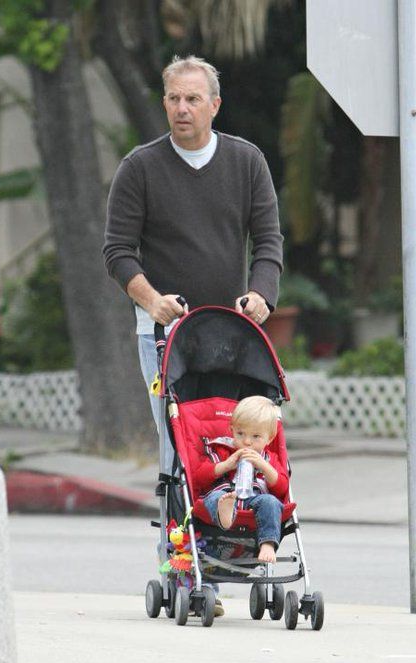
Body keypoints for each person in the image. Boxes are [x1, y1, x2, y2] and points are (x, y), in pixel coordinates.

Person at [103, 55, 283, 610]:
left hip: (231, 335)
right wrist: (153, 301)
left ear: (214, 105)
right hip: (164, 336)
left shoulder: (246, 161)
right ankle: (183, 567)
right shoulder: (140, 167)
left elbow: (269, 239)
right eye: (173, 99)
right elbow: (117, 252)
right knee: (179, 449)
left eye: (193, 99)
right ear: (165, 103)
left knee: (237, 443)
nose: (182, 109)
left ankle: (240, 550)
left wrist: (261, 295)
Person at [196, 396, 288, 563]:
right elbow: (199, 477)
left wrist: (265, 466)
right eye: (240, 433)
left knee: (271, 502)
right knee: (213, 498)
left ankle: (267, 543)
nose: (247, 441)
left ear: (270, 438)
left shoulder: (269, 458)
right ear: (231, 429)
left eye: (256, 436)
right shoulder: (222, 450)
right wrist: (226, 465)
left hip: (254, 502)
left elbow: (282, 488)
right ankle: (224, 513)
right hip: (225, 495)